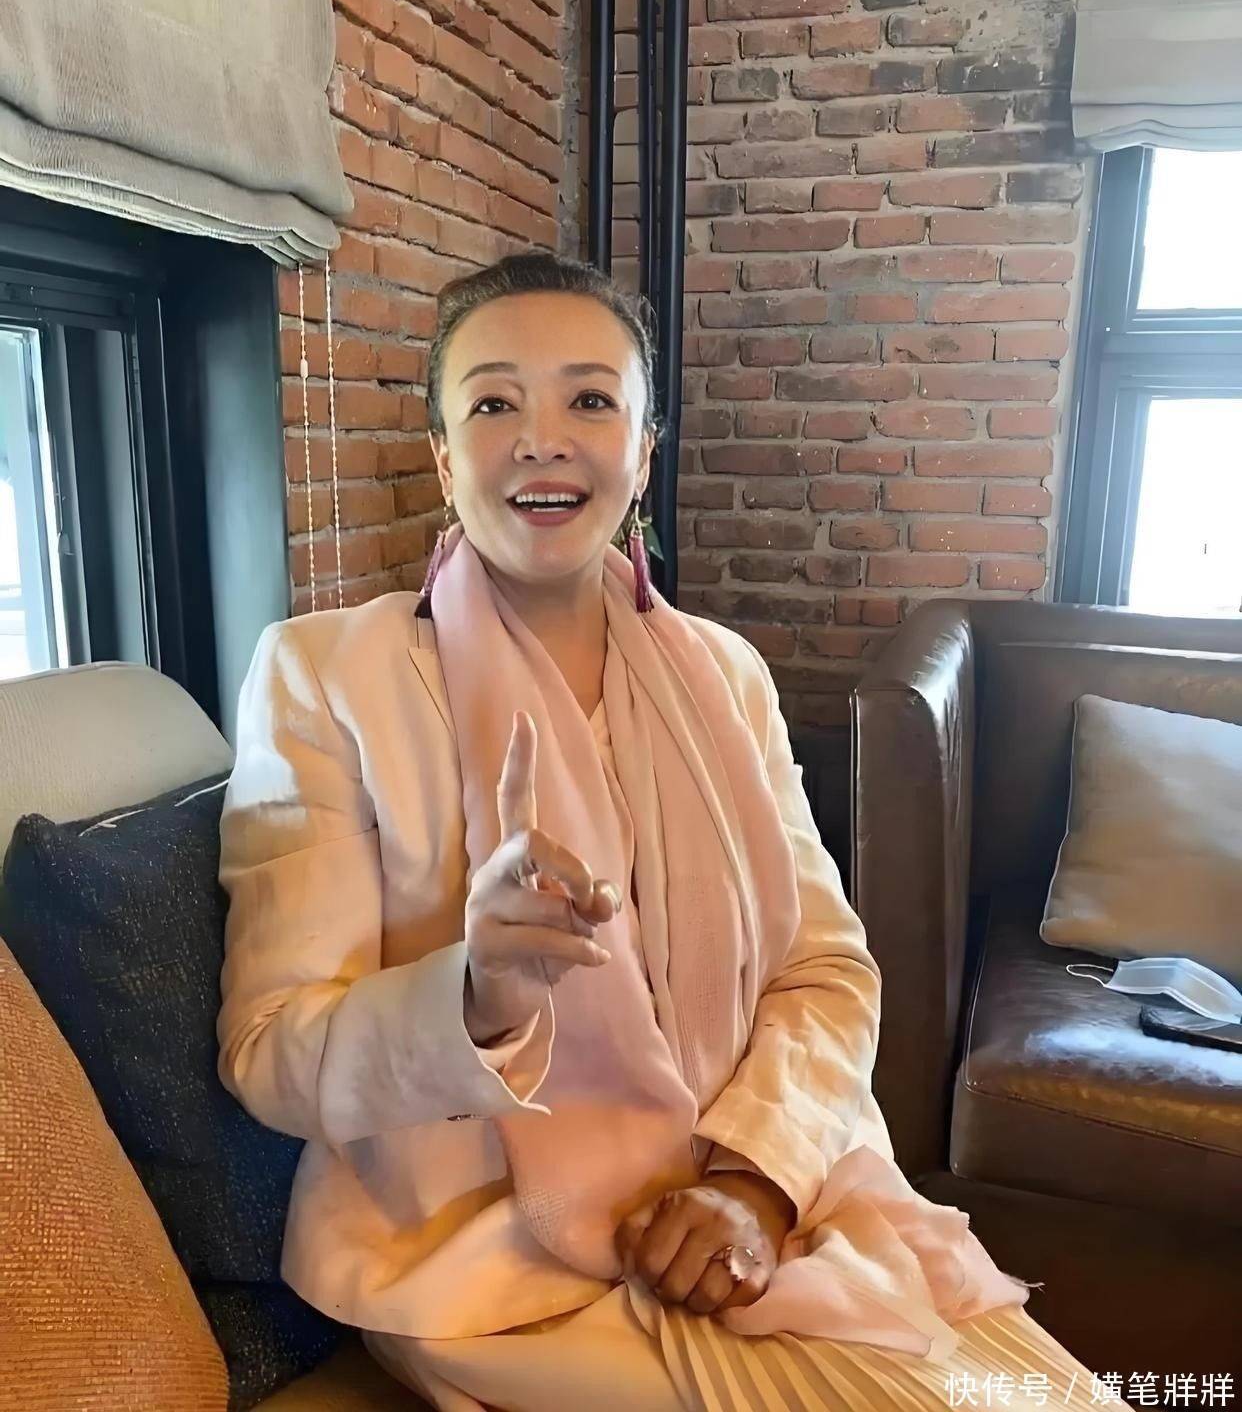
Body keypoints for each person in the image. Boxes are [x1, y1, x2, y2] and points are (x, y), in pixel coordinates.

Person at [217, 251, 1103, 1410]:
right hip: (485, 1267)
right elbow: (269, 1050)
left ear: (642, 451)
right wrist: (475, 997)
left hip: (768, 1203)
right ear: (443, 457)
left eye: (590, 400)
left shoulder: (723, 678)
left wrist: (755, 1185)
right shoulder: (324, 676)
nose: (542, 440)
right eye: (493, 404)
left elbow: (826, 970)